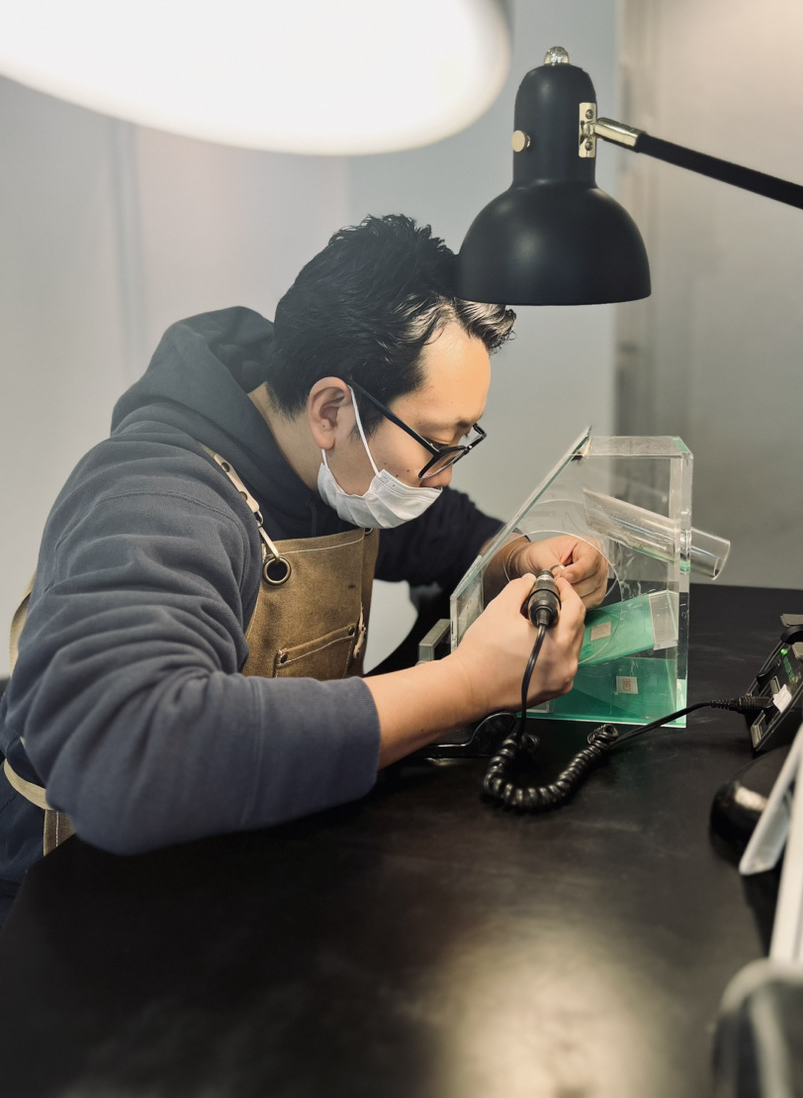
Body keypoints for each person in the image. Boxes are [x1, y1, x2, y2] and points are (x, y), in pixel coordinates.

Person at [0, 214, 606, 892]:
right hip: (83, 905)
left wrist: (520, 559)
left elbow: (444, 534)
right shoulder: (156, 499)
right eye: (437, 444)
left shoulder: (326, 464)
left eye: (461, 443)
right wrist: (469, 684)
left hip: (241, 862)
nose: (442, 476)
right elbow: (130, 755)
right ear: (331, 411)